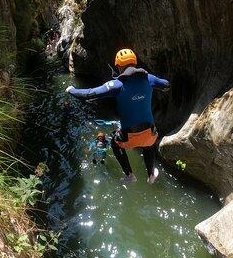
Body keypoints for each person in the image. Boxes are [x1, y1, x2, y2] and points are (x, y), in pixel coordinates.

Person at [66, 48, 170, 184]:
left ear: (119, 67)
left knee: (115, 142)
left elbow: (89, 94)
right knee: (148, 143)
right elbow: (166, 85)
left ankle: (129, 175)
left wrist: (71, 90)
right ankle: (151, 175)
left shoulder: (116, 85)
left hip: (128, 139)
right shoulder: (149, 79)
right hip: (150, 135)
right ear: (135, 63)